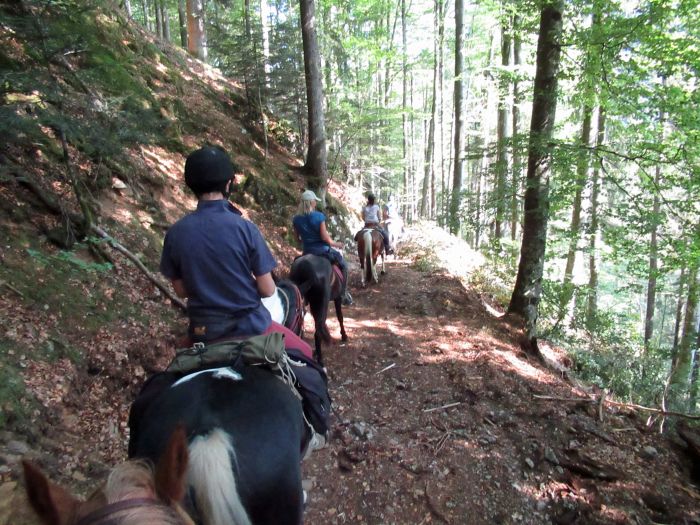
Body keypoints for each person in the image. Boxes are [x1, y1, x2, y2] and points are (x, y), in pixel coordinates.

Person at [160, 145, 312, 357]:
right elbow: (268, 290)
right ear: (228, 184)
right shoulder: (245, 228)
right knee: (305, 353)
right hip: (249, 327)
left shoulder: (175, 233)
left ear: (190, 186)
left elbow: (181, 290)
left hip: (202, 332)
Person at [292, 190, 353, 306]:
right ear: (311, 202)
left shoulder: (296, 219)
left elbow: (297, 239)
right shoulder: (319, 217)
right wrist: (337, 244)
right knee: (344, 265)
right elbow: (326, 238)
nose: (316, 202)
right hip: (322, 251)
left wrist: (306, 239)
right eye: (314, 200)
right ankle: (343, 294)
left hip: (307, 252)